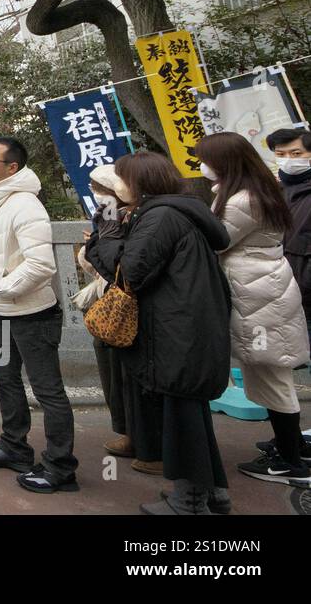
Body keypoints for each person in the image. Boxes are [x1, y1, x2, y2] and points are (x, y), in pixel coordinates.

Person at [85, 151, 233, 515]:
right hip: (190, 325)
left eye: (122, 178)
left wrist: (102, 238)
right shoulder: (180, 210)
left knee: (182, 413)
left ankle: (189, 502)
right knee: (190, 412)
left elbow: (131, 273)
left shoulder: (161, 216)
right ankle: (211, 492)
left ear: (138, 182)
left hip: (175, 329)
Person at [196, 132, 310, 486]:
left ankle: (291, 464)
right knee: (271, 373)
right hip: (266, 287)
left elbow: (217, 240)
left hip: (256, 294)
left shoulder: (241, 200)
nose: (202, 167)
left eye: (206, 160)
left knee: (271, 375)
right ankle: (289, 446)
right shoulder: (259, 189)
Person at [0, 137, 77, 495]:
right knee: (5, 379)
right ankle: (14, 447)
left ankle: (60, 467)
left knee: (48, 391)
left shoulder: (25, 204)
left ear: (11, 168)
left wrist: (1, 288)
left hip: (31, 314)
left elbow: (41, 265)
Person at [74, 165, 164, 473]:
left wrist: (96, 244)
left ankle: (150, 444)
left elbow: (117, 264)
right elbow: (98, 265)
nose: (96, 193)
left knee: (135, 378)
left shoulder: (139, 217)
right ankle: (129, 432)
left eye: (100, 188)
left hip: (133, 308)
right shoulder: (110, 215)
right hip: (112, 305)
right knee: (114, 373)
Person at [267, 127, 311, 345]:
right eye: (280, 154)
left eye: (296, 154)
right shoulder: (273, 193)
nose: (288, 160)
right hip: (287, 290)